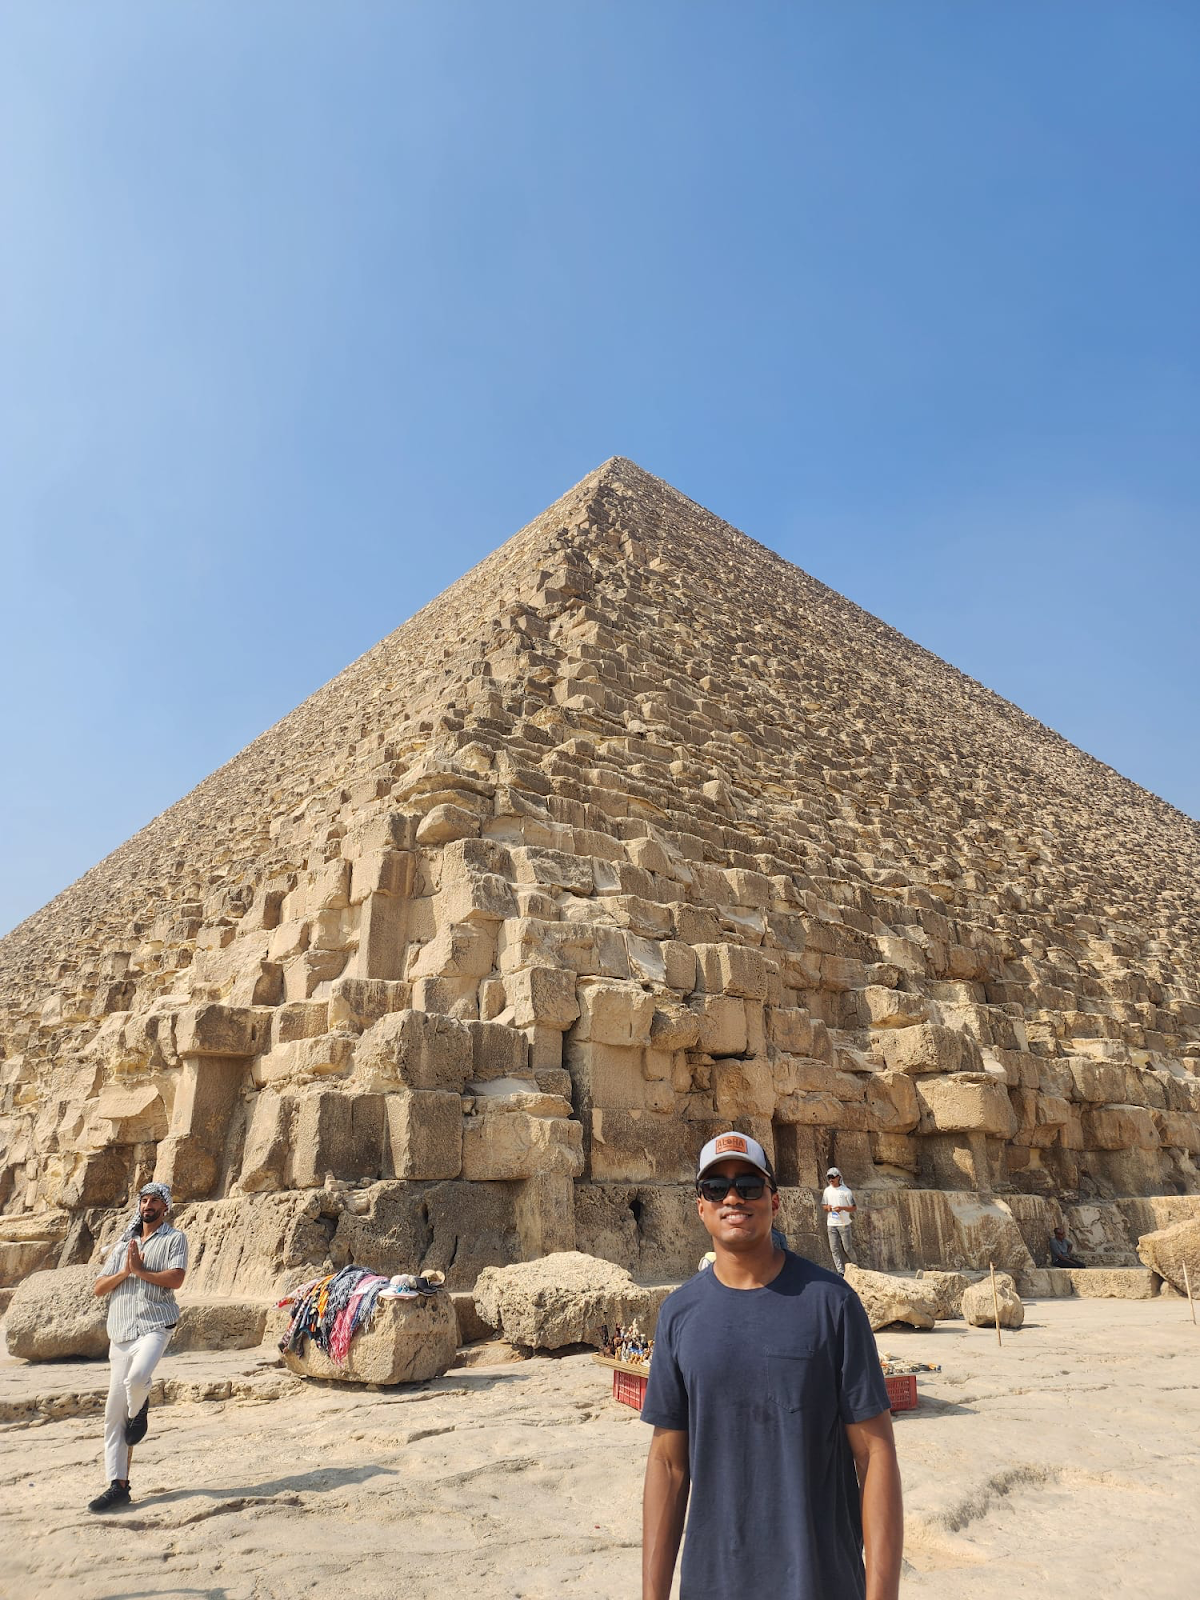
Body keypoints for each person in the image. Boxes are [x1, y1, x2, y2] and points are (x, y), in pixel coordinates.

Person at [641, 1131, 902, 1600]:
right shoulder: (678, 1314)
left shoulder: (833, 1304)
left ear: (774, 1202)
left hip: (819, 1580)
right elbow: (667, 1463)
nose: (733, 1198)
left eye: (749, 1185)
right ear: (700, 1206)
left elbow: (875, 1453)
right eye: (716, 1189)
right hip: (713, 1580)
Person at [88, 1181, 188, 1512]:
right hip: (120, 1332)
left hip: (155, 1325)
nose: (148, 1205)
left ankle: (140, 1408)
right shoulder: (122, 1246)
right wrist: (125, 1272)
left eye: (155, 1200)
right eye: (144, 1200)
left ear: (165, 1207)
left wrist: (142, 1271)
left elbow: (176, 1279)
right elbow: (99, 1287)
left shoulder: (175, 1239)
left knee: (138, 1378)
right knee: (112, 1416)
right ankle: (118, 1485)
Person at [822, 1164, 858, 1276]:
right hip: (831, 1224)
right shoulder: (827, 1191)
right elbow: (824, 1205)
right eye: (829, 1177)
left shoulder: (846, 1191)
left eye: (833, 1177)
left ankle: (855, 1266)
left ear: (838, 1177)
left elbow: (853, 1208)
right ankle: (840, 1272)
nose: (831, 1179)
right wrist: (827, 1208)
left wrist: (842, 1208)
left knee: (847, 1248)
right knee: (834, 1249)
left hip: (843, 1224)